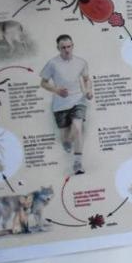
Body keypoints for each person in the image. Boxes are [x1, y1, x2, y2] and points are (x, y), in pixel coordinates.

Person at [39, 34, 91, 175]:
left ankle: (77, 163)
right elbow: (43, 83)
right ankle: (66, 142)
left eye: (69, 46)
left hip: (78, 100)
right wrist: (56, 90)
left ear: (72, 46)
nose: (67, 50)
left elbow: (86, 79)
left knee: (77, 128)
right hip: (60, 104)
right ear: (58, 48)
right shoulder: (52, 63)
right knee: (66, 137)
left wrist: (88, 91)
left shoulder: (81, 62)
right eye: (63, 47)